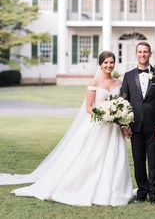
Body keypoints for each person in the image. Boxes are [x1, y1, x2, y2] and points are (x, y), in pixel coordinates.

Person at [0, 51, 133, 206]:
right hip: (97, 126)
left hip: (113, 129)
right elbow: (89, 108)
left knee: (114, 156)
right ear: (100, 64)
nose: (109, 65)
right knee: (90, 157)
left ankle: (113, 189)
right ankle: (85, 186)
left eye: (111, 62)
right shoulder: (94, 82)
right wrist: (103, 115)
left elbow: (120, 105)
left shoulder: (119, 83)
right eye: (106, 63)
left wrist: (120, 119)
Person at [120, 41, 155, 205]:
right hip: (135, 127)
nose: (142, 54)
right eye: (140, 52)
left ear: (150, 53)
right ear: (136, 54)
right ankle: (142, 192)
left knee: (154, 161)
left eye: (145, 52)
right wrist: (124, 124)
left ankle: (153, 194)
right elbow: (123, 102)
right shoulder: (128, 76)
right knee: (138, 161)